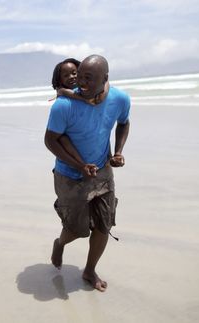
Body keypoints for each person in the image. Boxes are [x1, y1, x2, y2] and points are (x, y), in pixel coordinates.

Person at [44, 54, 130, 292]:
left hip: (102, 172)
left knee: (104, 225)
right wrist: (79, 166)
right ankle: (60, 243)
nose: (81, 83)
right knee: (76, 230)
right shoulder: (64, 105)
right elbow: (50, 141)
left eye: (88, 78)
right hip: (69, 177)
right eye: (80, 77)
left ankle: (89, 270)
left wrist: (119, 151)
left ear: (105, 78)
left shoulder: (120, 99)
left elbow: (124, 122)